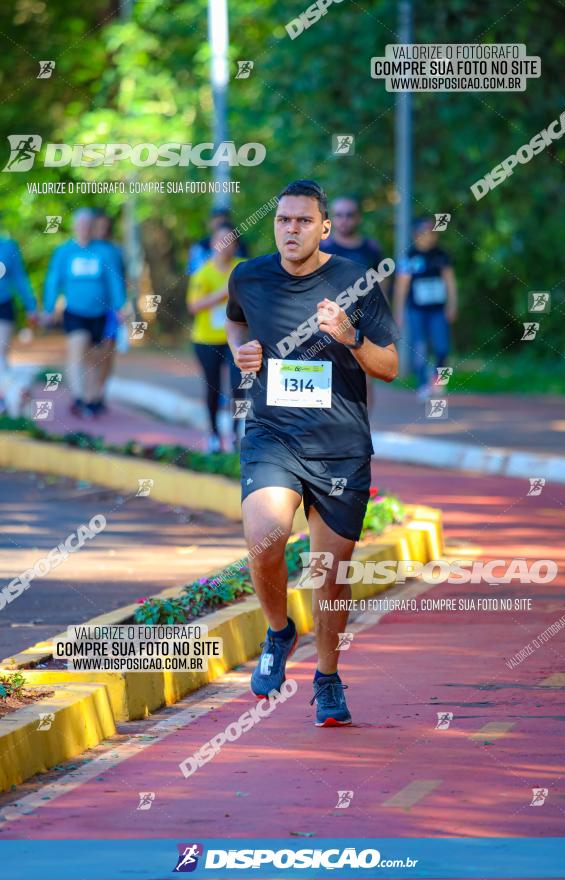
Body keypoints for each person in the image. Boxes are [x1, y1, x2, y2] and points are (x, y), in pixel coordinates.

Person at [226, 180, 399, 726]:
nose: (292, 229)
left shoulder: (354, 280)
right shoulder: (249, 276)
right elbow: (234, 320)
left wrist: (350, 336)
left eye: (303, 221)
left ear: (325, 227)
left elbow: (390, 366)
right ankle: (279, 630)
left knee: (329, 572)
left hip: (341, 448)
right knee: (263, 539)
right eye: (283, 220)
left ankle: (327, 677)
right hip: (272, 434)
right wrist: (241, 351)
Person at [43, 208, 126, 417]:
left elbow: (114, 281)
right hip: (75, 312)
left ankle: (92, 398)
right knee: (76, 349)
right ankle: (79, 397)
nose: (84, 229)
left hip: (100, 313)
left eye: (88, 225)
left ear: (93, 227)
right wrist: (50, 307)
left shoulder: (104, 251)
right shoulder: (64, 252)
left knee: (96, 358)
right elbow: (54, 280)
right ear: (75, 227)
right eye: (80, 225)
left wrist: (119, 306)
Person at [321, 196, 387, 410]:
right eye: (339, 215)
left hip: (365, 320)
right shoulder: (322, 247)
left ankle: (364, 428)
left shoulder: (370, 248)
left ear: (358, 218)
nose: (345, 220)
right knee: (329, 375)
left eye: (350, 215)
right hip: (330, 320)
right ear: (330, 220)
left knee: (366, 377)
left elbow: (382, 283)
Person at [187, 224, 244, 452]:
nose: (225, 246)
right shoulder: (203, 272)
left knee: (239, 386)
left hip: (238, 338)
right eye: (220, 240)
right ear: (212, 244)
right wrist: (223, 294)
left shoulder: (243, 268)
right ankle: (212, 434)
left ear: (236, 245)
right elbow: (194, 306)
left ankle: (236, 432)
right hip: (207, 339)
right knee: (212, 387)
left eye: (229, 240)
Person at [393, 216, 458, 399]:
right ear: (416, 234)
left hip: (438, 309)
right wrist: (399, 312)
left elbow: (450, 282)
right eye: (425, 232)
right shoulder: (409, 257)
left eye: (432, 232)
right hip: (416, 310)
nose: (429, 236)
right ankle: (423, 384)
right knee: (419, 347)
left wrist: (452, 305)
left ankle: (439, 381)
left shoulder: (441, 255)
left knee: (442, 347)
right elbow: (401, 287)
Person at [91, 210, 127, 414]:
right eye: (100, 226)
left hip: (111, 311)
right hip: (91, 311)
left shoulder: (115, 250)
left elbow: (123, 279)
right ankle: (91, 391)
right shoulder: (88, 249)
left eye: (107, 226)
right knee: (92, 353)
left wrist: (121, 306)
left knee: (108, 351)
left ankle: (100, 392)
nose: (103, 230)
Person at [0, 234, 37, 404]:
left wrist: (31, 307)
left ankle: (4, 396)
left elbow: (20, 278)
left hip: (4, 305)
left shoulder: (8, 247)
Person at [186, 208, 248, 276]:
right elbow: (193, 271)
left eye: (223, 219)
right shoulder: (199, 246)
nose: (220, 222)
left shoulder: (241, 245)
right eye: (216, 219)